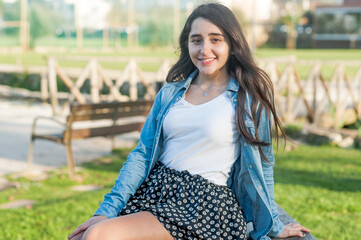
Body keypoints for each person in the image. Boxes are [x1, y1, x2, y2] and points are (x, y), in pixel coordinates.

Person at [68, 3, 311, 240]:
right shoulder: (170, 93)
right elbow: (142, 155)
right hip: (155, 191)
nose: (205, 49)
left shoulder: (249, 99)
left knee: (100, 235)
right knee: (84, 235)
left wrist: (276, 227)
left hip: (205, 204)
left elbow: (263, 166)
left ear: (233, 44)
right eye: (196, 40)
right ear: (188, 45)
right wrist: (105, 211)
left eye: (215, 39)